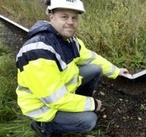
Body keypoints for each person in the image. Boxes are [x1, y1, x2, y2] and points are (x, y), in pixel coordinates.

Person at [15, 0, 130, 136]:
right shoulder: (39, 52)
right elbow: (55, 99)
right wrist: (92, 104)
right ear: (51, 16)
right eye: (64, 17)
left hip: (60, 91)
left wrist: (116, 71)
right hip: (43, 106)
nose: (70, 22)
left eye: (74, 17)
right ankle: (43, 127)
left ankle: (77, 107)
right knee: (89, 121)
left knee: (95, 69)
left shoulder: (68, 40)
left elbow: (90, 57)